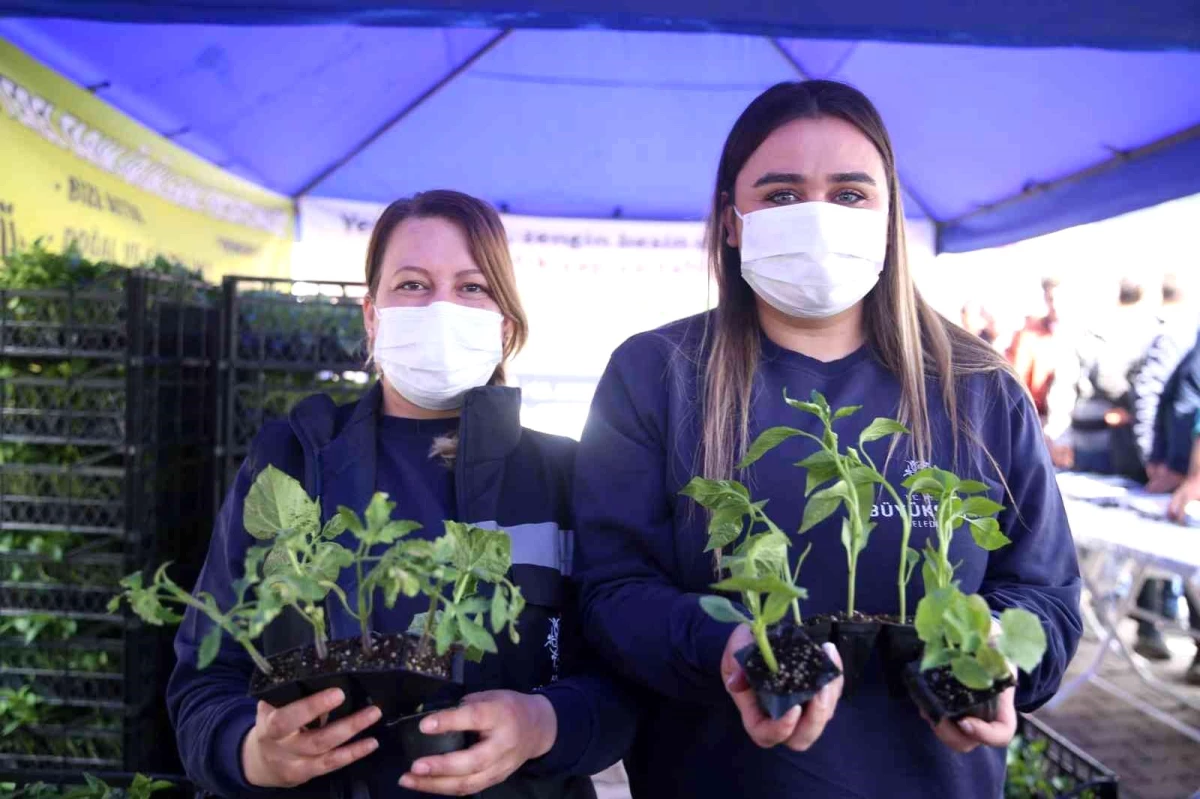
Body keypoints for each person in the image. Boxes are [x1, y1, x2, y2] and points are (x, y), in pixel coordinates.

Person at [572, 80, 1083, 798]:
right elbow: (609, 591)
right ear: (730, 220)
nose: (816, 217)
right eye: (781, 195)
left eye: (849, 194)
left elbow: (1047, 595)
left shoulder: (977, 388)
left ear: (887, 217)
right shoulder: (657, 375)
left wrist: (995, 650)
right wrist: (724, 646)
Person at [167, 190, 637, 798]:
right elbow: (204, 678)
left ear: (506, 324)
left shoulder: (564, 475)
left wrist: (540, 723)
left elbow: (625, 688)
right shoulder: (292, 460)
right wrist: (250, 751)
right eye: (412, 285)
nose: (441, 307)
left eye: (472, 288)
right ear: (372, 316)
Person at [1130, 274, 1197, 660]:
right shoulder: (1176, 334)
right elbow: (1162, 396)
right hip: (1176, 473)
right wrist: (1155, 459)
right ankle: (1148, 626)